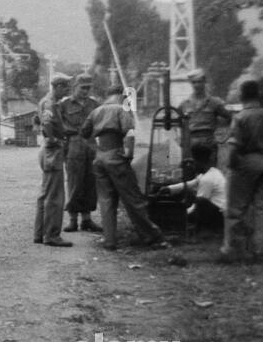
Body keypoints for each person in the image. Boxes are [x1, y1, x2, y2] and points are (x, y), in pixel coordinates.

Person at [81, 84, 167, 251]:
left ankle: (110, 241)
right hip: (116, 156)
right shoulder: (121, 109)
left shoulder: (96, 111)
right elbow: (130, 134)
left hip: (100, 157)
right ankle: (152, 237)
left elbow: (84, 133)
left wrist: (96, 150)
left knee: (106, 201)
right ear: (121, 95)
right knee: (133, 199)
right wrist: (129, 154)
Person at [221, 79, 263, 262]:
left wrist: (233, 165)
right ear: (259, 96)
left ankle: (234, 250)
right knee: (262, 209)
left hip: (245, 162)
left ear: (242, 96)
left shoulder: (240, 117)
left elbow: (234, 147)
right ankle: (261, 249)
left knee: (235, 209)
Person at [33, 74, 73, 247]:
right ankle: (52, 235)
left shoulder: (46, 101)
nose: (67, 90)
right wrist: (55, 139)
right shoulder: (50, 103)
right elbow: (47, 124)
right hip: (52, 151)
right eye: (65, 87)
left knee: (45, 194)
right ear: (57, 86)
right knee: (55, 197)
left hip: (49, 151)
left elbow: (37, 120)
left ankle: (40, 233)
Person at [59, 73, 101, 233]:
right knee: (74, 183)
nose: (86, 91)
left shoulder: (94, 104)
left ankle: (87, 219)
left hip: (91, 146)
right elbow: (58, 123)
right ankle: (72, 220)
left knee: (90, 183)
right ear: (74, 87)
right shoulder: (64, 105)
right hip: (73, 145)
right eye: (83, 88)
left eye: (88, 88)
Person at [158, 143, 226, 237]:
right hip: (217, 210)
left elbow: (198, 204)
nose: (192, 165)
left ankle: (205, 230)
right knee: (191, 194)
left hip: (219, 216)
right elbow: (190, 184)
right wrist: (169, 189)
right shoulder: (211, 171)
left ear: (200, 162)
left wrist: (183, 215)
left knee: (199, 201)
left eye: (194, 162)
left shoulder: (208, 179)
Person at [179, 68, 233, 168]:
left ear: (204, 82)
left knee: (210, 174)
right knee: (190, 174)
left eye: (199, 82)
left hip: (208, 143)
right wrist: (181, 141)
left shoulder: (214, 102)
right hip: (191, 143)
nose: (196, 85)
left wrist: (223, 138)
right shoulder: (184, 104)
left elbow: (230, 118)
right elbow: (178, 123)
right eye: (193, 82)